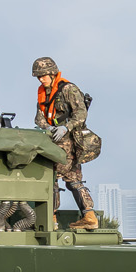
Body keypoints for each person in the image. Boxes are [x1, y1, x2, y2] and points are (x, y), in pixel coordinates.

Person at [32, 57, 102, 229]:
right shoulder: (43, 93)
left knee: (55, 177)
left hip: (69, 141)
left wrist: (66, 127)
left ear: (52, 72)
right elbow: (39, 117)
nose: (41, 79)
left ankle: (52, 218)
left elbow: (80, 114)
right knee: (71, 179)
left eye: (44, 75)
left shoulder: (68, 89)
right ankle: (87, 217)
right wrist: (47, 128)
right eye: (39, 77)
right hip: (52, 140)